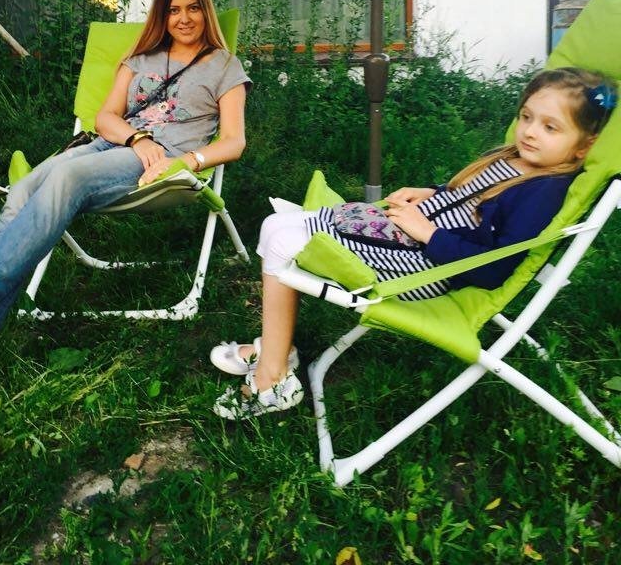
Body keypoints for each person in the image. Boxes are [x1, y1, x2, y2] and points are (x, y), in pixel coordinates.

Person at [0, 0, 250, 414]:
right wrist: (137, 138)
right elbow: (106, 118)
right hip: (113, 145)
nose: (184, 18)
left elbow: (233, 141)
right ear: (162, 16)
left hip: (160, 162)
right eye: (173, 10)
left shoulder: (224, 65)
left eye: (193, 8)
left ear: (206, 10)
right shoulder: (141, 57)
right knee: (21, 192)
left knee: (64, 178)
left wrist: (187, 161)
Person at [210, 67, 617, 420]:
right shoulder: (515, 158)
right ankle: (278, 352)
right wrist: (433, 193)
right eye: (526, 116)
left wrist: (427, 232)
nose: (529, 131)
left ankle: (274, 379)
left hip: (426, 269)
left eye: (550, 127)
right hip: (413, 244)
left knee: (281, 238)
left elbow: (495, 267)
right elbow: (473, 202)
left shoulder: (543, 192)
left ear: (584, 146)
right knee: (278, 225)